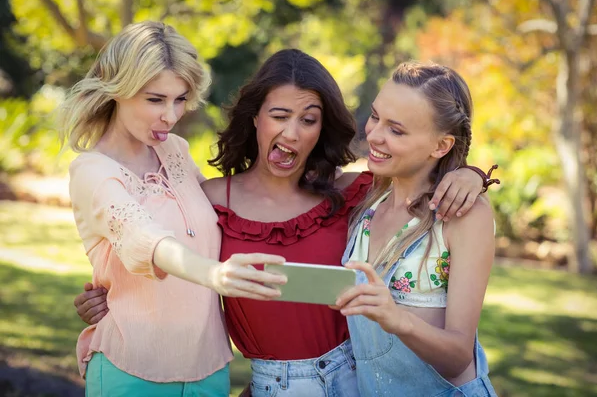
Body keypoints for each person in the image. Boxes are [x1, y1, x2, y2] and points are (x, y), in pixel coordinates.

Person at [74, 49, 492, 396]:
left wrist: (468, 174)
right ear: (256, 117)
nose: (291, 134)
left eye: (308, 120)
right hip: (264, 382)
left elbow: (419, 174)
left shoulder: (354, 194)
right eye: (279, 115)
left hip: (352, 381)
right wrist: (109, 291)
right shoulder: (212, 201)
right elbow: (166, 242)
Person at [60, 21, 287, 396]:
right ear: (117, 90)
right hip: (131, 371)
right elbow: (145, 239)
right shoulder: (92, 170)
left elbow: (228, 207)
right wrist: (215, 275)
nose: (171, 115)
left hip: (209, 370)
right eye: (155, 99)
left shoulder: (174, 150)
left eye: (180, 99)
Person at [334, 62, 497, 396]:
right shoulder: (367, 198)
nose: (375, 135)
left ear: (440, 146)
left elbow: (457, 357)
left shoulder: (463, 216)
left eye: (397, 130)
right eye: (376, 116)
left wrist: (397, 319)